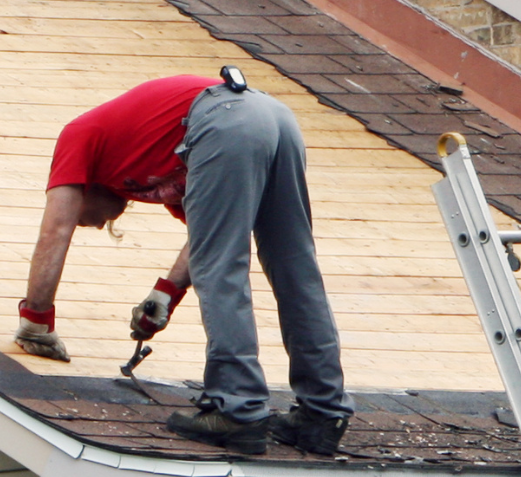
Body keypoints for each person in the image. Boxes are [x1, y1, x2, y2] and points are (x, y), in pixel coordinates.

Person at [13, 72, 353, 458]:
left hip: (222, 119)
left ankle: (237, 407)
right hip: (272, 117)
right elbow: (204, 237)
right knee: (295, 267)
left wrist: (36, 322)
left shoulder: (79, 134)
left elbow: (54, 232)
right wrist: (165, 294)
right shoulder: (153, 163)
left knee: (222, 269)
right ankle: (322, 414)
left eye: (82, 216)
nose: (86, 223)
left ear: (84, 186)